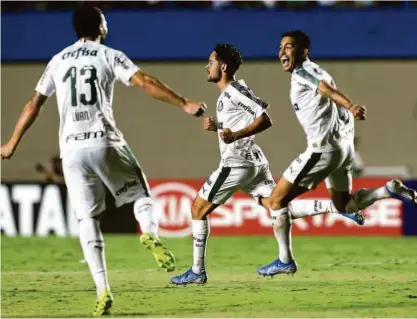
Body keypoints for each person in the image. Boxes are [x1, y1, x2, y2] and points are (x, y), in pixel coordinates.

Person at [1, 5, 207, 316]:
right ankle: (149, 231)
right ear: (101, 26)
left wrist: (11, 142)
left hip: (71, 151)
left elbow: (34, 103)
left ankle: (102, 291)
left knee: (87, 220)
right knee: (140, 195)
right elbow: (144, 81)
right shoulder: (109, 55)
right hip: (104, 140)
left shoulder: (57, 61)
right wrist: (183, 103)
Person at [170, 44, 364, 286]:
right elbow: (240, 123)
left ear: (223, 66)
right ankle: (338, 208)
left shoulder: (233, 91)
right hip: (254, 161)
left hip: (236, 163)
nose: (207, 66)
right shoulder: (231, 93)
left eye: (210, 62)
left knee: (197, 209)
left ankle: (197, 271)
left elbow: (264, 119)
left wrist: (235, 135)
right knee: (276, 205)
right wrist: (219, 127)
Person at [257, 30, 417, 277]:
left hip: (323, 150)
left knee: (276, 202)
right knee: (344, 204)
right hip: (343, 149)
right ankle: (387, 191)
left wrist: (350, 105)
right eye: (280, 47)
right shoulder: (317, 71)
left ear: (303, 51)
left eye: (288, 47)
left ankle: (284, 260)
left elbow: (326, 90)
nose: (282, 52)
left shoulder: (304, 73)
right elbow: (328, 92)